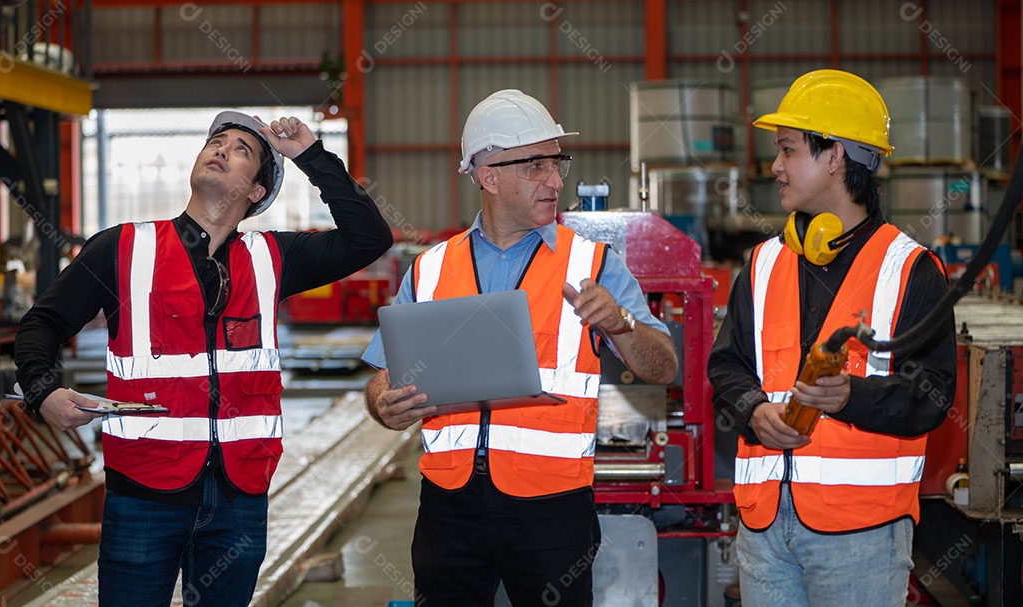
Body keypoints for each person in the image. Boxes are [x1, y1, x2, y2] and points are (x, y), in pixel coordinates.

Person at [14, 111, 392, 607]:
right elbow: (42, 323)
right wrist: (42, 393)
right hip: (143, 495)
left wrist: (310, 154)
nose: (221, 148)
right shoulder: (124, 249)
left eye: (241, 150)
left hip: (239, 499)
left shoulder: (272, 258)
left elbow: (370, 238)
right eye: (216, 141)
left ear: (255, 192)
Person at [361, 89, 678, 607]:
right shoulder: (431, 269)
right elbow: (383, 375)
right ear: (488, 175)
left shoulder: (593, 265)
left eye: (558, 164)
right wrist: (383, 402)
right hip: (448, 505)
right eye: (536, 165)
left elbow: (664, 367)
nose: (555, 180)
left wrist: (620, 325)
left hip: (552, 508)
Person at [707, 69, 956, 607]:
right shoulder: (765, 263)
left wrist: (851, 397)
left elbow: (934, 397)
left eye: (788, 149)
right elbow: (725, 365)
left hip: (861, 533)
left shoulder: (910, 270)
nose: (775, 167)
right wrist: (752, 409)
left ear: (836, 156)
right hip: (764, 526)